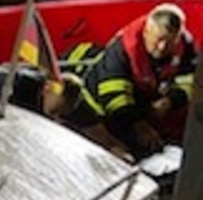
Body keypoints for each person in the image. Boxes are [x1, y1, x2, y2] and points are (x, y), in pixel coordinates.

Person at [80, 3, 196, 158]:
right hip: (102, 112)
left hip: (147, 105)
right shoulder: (121, 50)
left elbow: (190, 80)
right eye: (158, 40)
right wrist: (139, 126)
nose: (162, 48)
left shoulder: (185, 46)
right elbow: (115, 98)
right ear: (146, 32)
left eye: (169, 43)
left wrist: (170, 101)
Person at [0, 64, 135, 160]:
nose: (56, 116)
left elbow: (105, 139)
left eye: (61, 113)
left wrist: (120, 154)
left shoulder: (74, 106)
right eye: (54, 111)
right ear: (46, 90)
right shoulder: (20, 83)